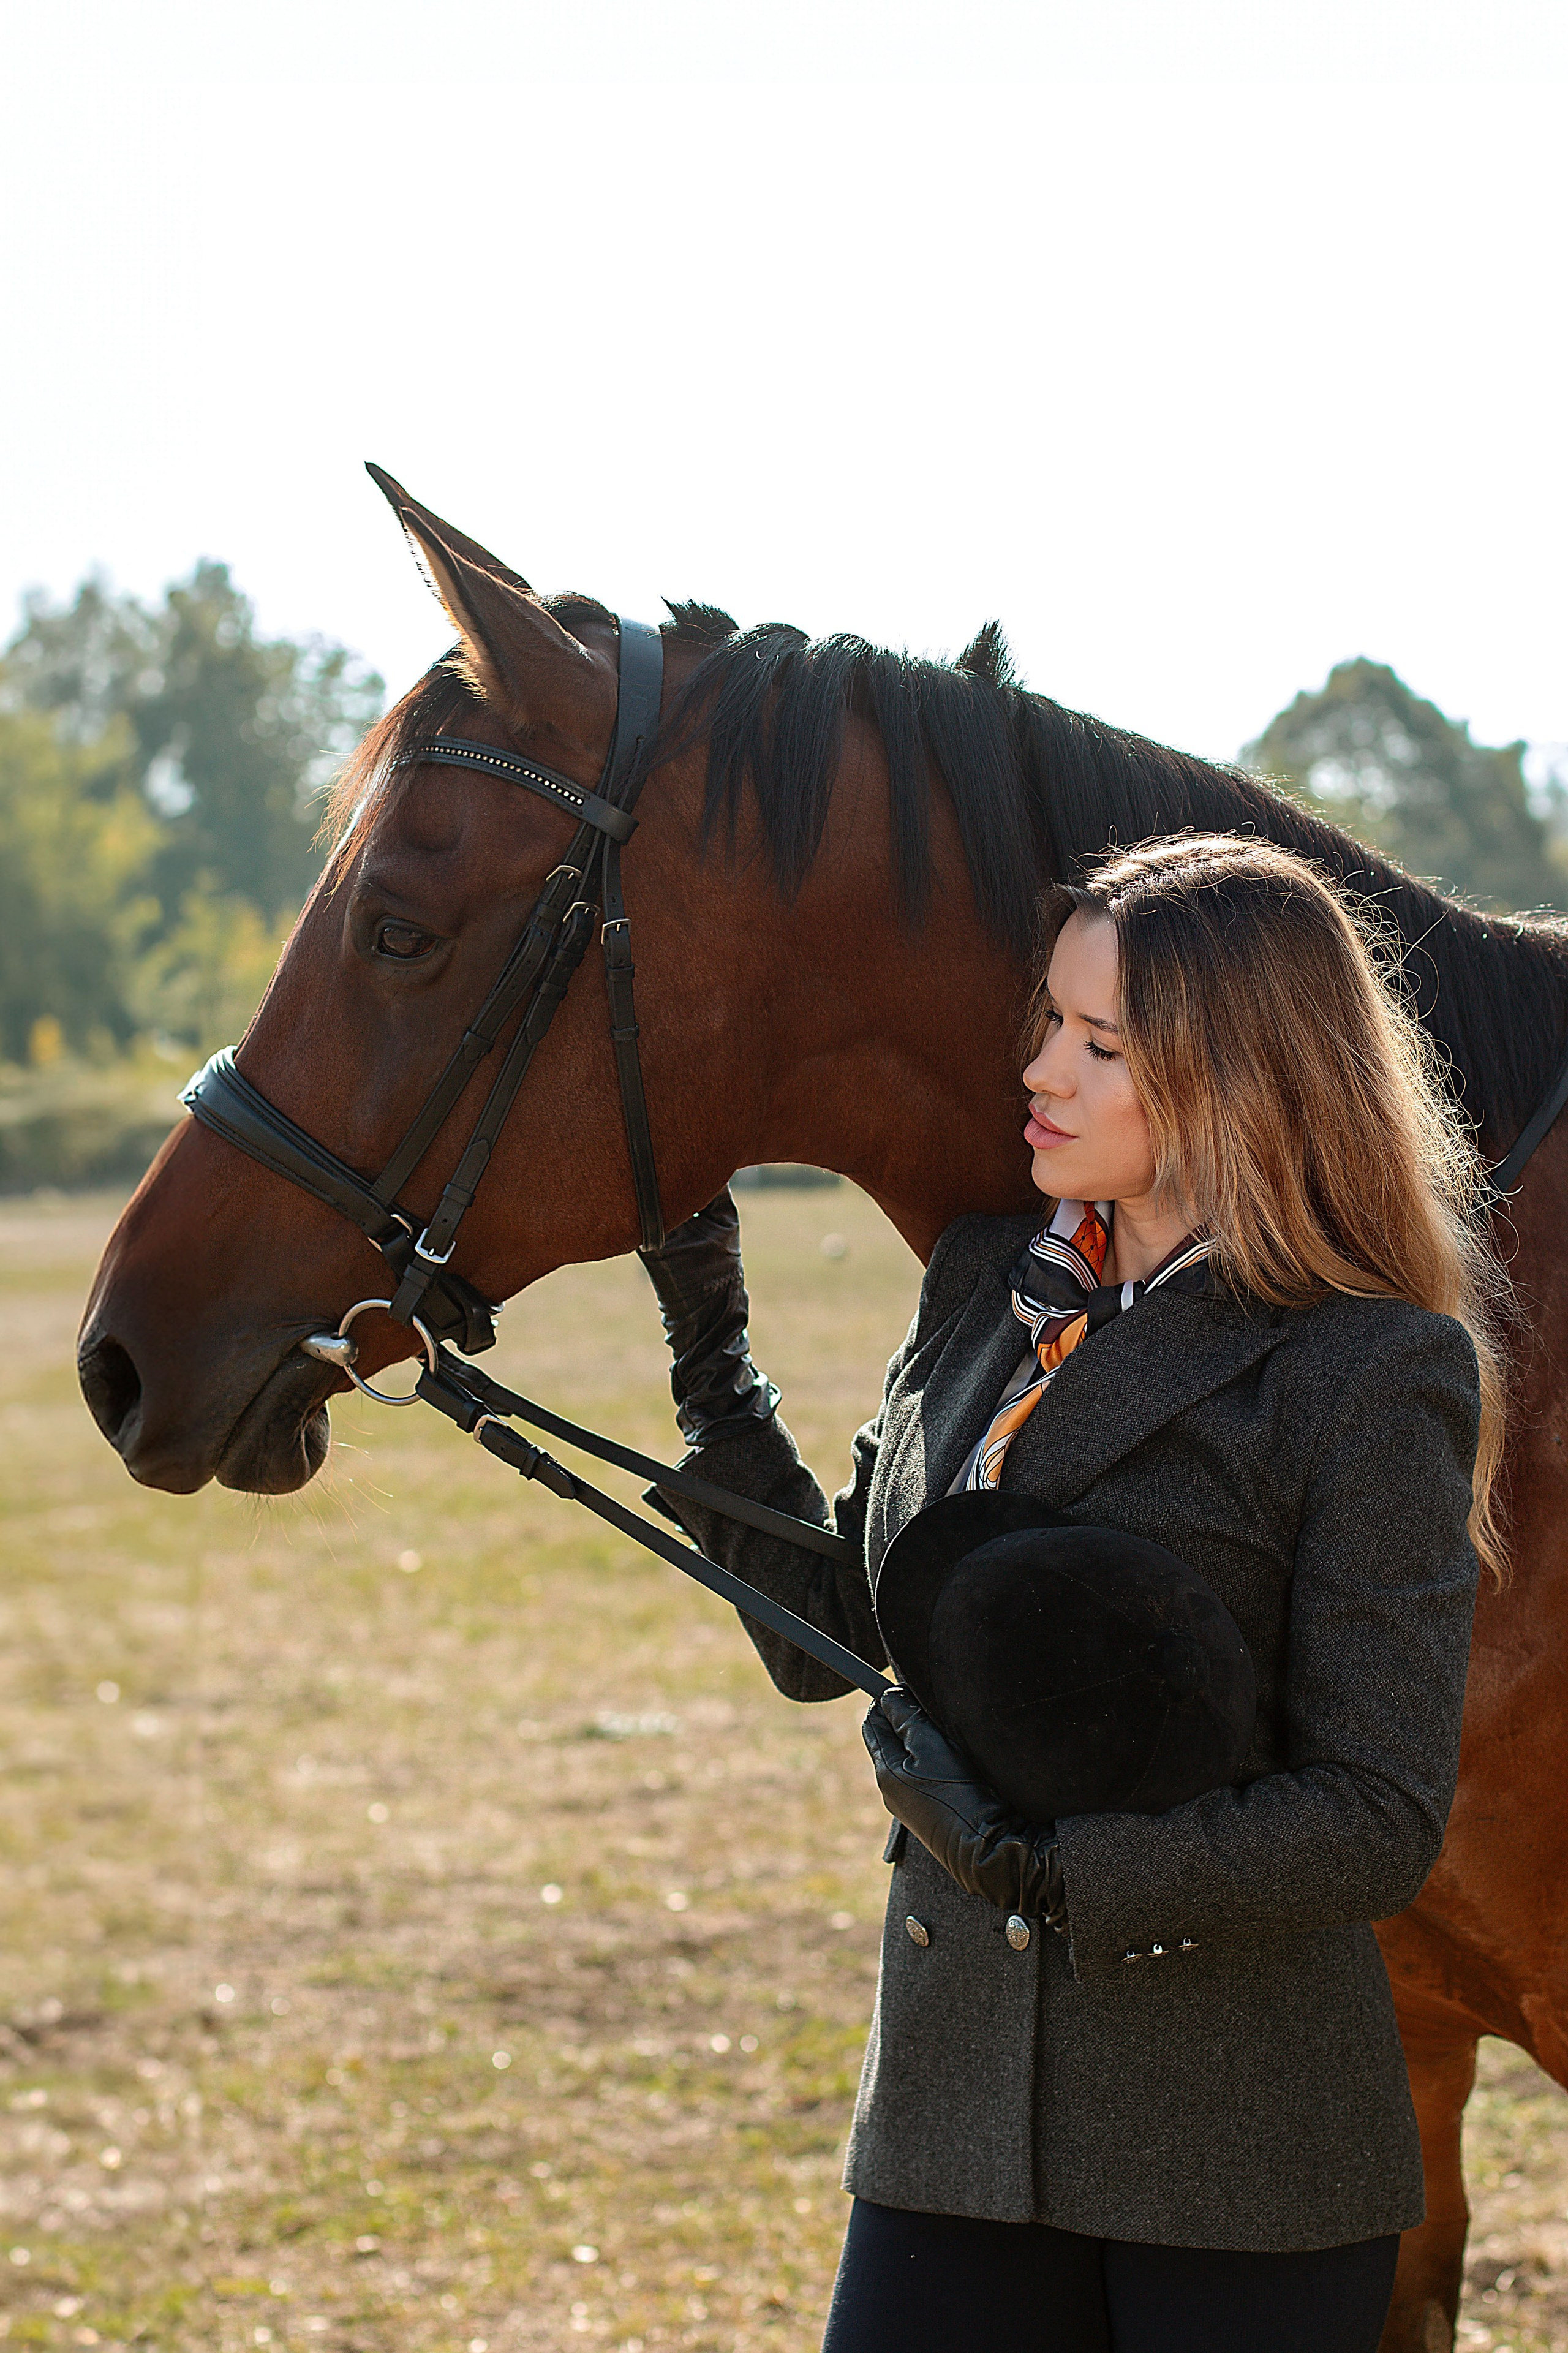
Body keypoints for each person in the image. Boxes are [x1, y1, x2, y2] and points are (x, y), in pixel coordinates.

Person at [640, 833, 1507, 2353]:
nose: (1041, 1069)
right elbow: (844, 1629)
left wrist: (1056, 1870)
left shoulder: (1369, 1371)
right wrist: (715, 1371)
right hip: (949, 2119)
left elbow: (1374, 1814)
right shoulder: (988, 1284)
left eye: (1099, 1044)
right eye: (1047, 1022)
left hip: (1236, 2156)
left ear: (1237, 1075)